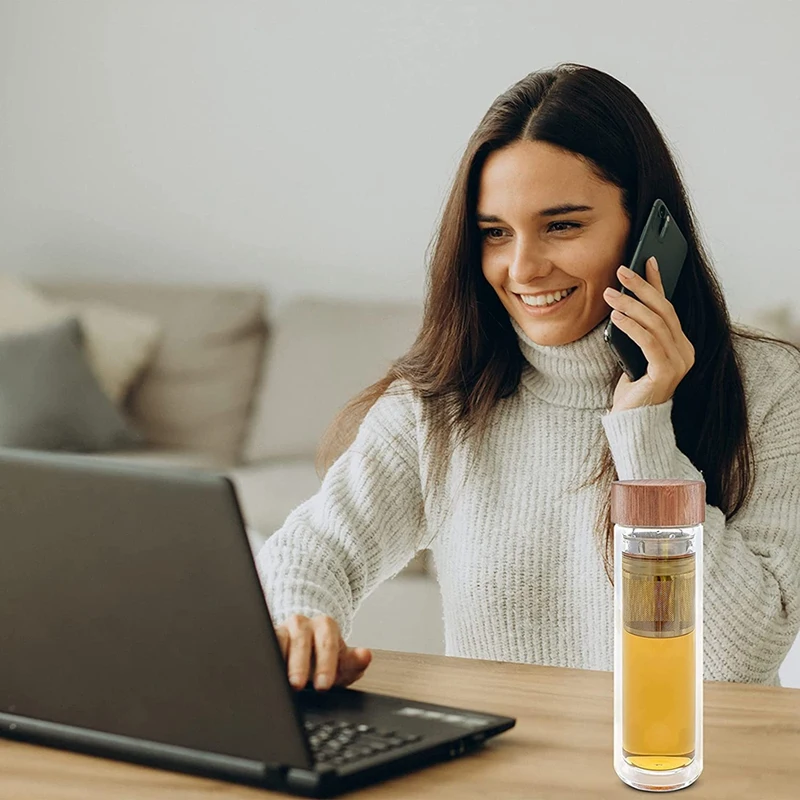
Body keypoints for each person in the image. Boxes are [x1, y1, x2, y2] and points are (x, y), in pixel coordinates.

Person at [255, 62, 800, 692]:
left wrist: (646, 434)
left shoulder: (772, 386)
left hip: (683, 774)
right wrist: (300, 623)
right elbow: (311, 550)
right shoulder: (444, 401)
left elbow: (738, 659)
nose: (523, 268)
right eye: (495, 234)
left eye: (562, 225)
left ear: (649, 228)